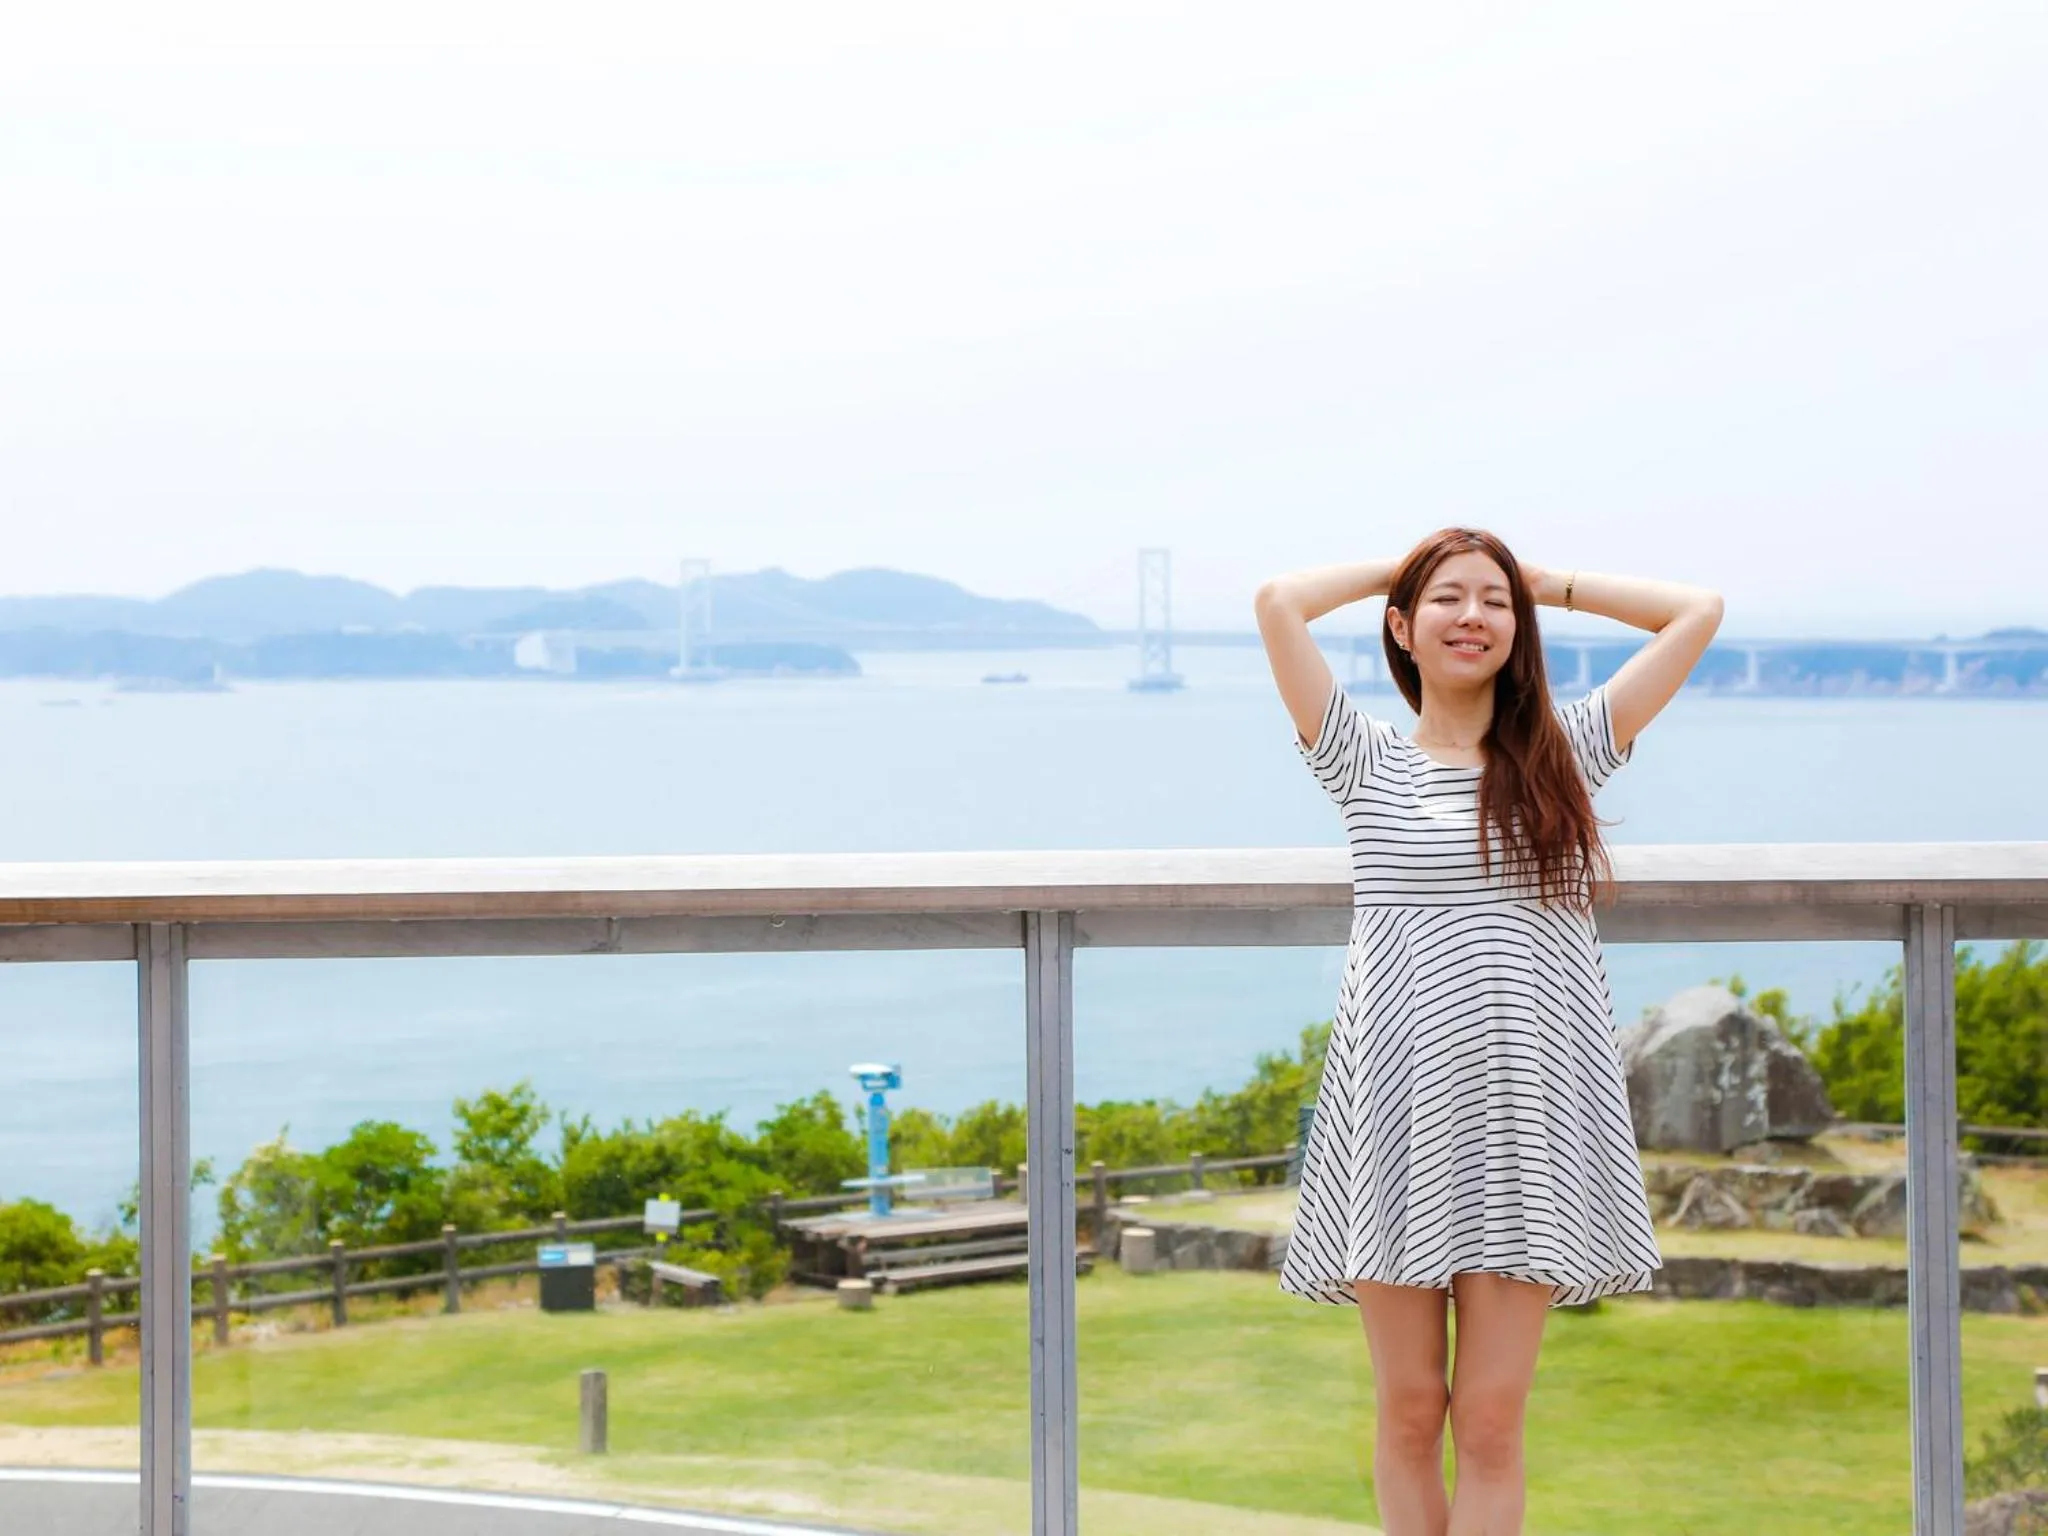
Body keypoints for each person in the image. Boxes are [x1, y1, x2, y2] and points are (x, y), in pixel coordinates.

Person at [1253, 527, 1724, 1536]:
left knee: (1491, 1418)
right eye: (1447, 602)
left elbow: (1695, 613)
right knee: (1411, 1408)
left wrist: (1538, 583)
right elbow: (1278, 603)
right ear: (1399, 628)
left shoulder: (1565, 754)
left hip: (1527, 1130)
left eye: (1492, 605)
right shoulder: (1361, 762)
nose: (1473, 618)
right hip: (1395, 1124)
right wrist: (1404, 566)